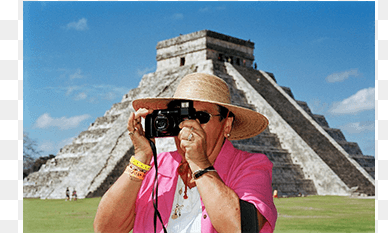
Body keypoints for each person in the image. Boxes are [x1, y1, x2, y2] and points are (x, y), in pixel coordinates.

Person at [94, 73, 277, 233]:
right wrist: (141, 157)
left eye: (201, 117)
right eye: (181, 117)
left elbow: (242, 228)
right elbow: (105, 229)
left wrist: (199, 163)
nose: (190, 125)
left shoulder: (251, 165)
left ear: (226, 124)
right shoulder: (154, 166)